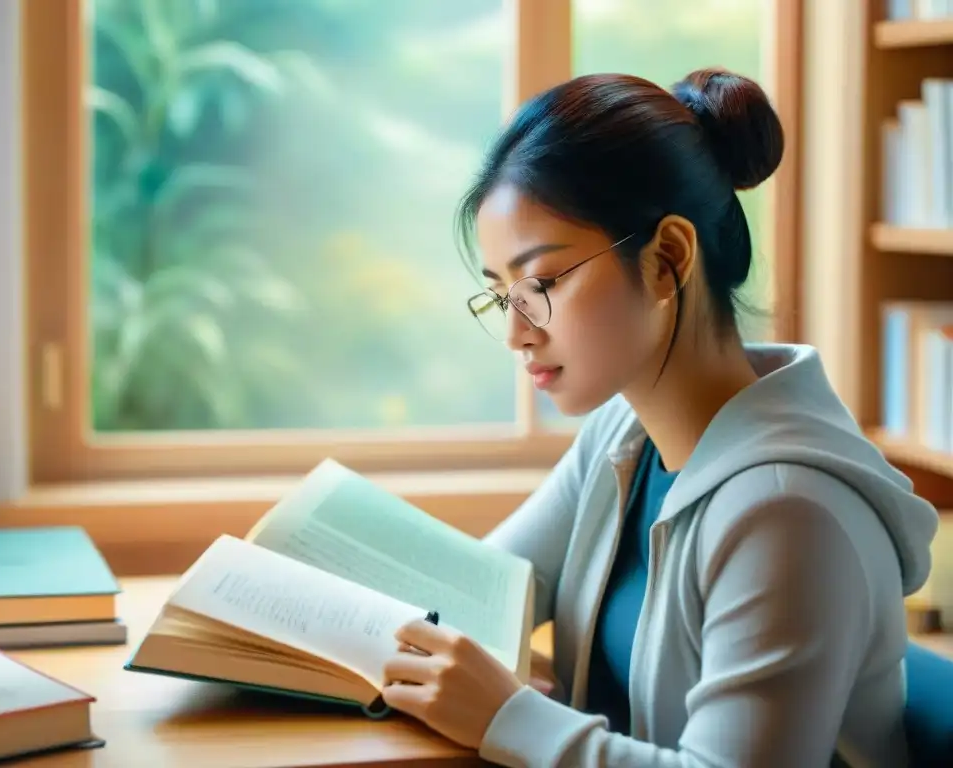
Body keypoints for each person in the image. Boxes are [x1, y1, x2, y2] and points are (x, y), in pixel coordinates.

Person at [378, 67, 941, 767]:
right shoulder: (624, 435)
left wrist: (509, 716)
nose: (517, 333)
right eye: (502, 295)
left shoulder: (788, 511)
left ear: (667, 258)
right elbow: (481, 590)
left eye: (543, 283)